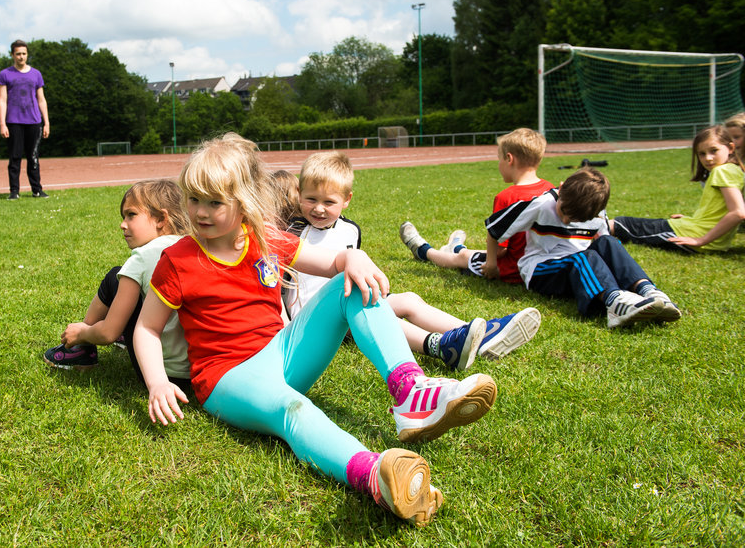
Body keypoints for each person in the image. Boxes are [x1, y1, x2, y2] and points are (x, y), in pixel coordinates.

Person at [133, 133, 498, 525]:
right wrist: (157, 383)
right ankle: (376, 477)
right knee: (294, 410)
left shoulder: (265, 239)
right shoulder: (177, 259)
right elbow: (147, 329)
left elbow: (331, 262)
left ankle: (412, 393)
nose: (201, 212)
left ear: (243, 204)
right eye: (194, 200)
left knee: (351, 283)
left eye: (215, 202)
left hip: (282, 352)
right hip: (229, 377)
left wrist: (352, 257)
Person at [282, 150, 541, 370]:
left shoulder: (350, 230)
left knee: (408, 299)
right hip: (314, 321)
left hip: (348, 305)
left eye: (329, 201)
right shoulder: (291, 233)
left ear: (347, 200)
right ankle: (440, 346)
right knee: (379, 315)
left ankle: (480, 335)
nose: (318, 208)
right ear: (299, 194)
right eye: (310, 199)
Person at [43, 180, 193, 393]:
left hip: (158, 373)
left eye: (131, 215)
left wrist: (83, 332)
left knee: (115, 276)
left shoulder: (141, 258)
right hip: (196, 371)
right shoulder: (193, 248)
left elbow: (107, 334)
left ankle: (80, 349)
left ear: (161, 219)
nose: (123, 224)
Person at [487, 167, 681, 329]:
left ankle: (649, 292)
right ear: (561, 189)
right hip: (540, 270)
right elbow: (495, 228)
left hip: (579, 268)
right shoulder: (542, 204)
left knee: (609, 242)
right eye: (563, 212)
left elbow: (604, 245)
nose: (565, 221)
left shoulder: (595, 213)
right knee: (584, 257)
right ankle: (614, 303)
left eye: (576, 220)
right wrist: (491, 264)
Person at [400, 128, 554, 285]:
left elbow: (500, 250)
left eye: (499, 158)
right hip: (542, 264)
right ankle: (456, 247)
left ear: (509, 159)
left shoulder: (507, 197)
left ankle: (424, 251)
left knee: (463, 258)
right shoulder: (550, 189)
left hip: (514, 269)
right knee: (472, 254)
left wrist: (491, 265)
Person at [611, 125, 745, 253]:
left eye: (714, 151)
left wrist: (701, 240)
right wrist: (693, 219)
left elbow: (738, 212)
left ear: (731, 148)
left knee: (621, 224)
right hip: (693, 228)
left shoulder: (722, 171)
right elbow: (720, 210)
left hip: (694, 235)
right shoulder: (734, 170)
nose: (708, 158)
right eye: (702, 154)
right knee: (636, 224)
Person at [0, 39, 50, 199]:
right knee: (15, 157)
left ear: (27, 55)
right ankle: (14, 192)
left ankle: (37, 190)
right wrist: (2, 124)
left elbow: (41, 99)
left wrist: (46, 122)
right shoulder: (5, 74)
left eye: (24, 54)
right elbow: (2, 100)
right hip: (14, 122)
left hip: (34, 121)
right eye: (18, 54)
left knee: (33, 157)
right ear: (13, 55)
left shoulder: (36, 74)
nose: (21, 57)